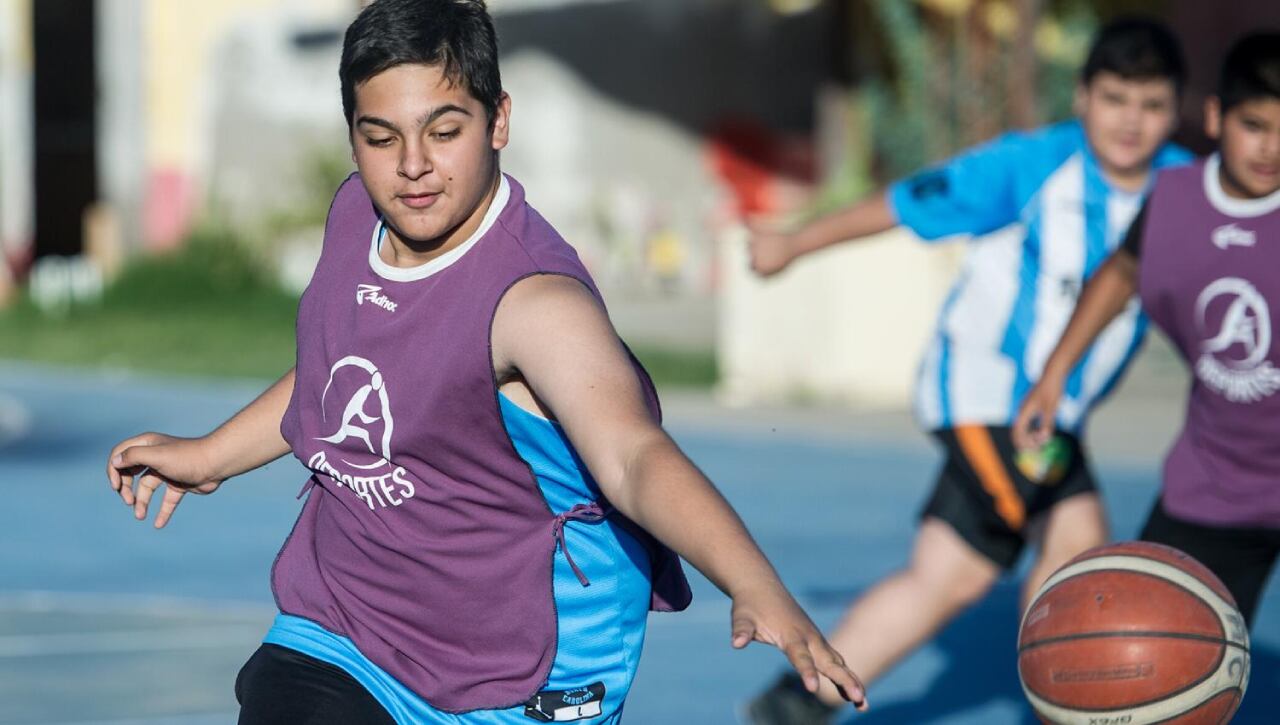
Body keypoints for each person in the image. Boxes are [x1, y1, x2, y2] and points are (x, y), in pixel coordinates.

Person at [104, 1, 866, 722]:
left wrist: (754, 582)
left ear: (498, 121)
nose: (412, 166)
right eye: (381, 137)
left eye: (444, 130)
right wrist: (212, 456)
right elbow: (343, 377)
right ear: (353, 138)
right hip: (349, 627)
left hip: (518, 670)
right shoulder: (354, 218)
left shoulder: (534, 304)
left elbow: (633, 457)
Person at [744, 17, 1190, 724]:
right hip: (983, 392)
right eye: (1115, 98)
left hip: (1049, 416)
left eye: (1152, 103)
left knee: (946, 578)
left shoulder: (1185, 190)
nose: (1132, 121)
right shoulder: (1031, 165)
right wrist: (795, 243)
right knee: (1080, 555)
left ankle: (792, 703)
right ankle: (1073, 706)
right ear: (1081, 97)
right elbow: (902, 202)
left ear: (1179, 109)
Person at [1015, 31, 1280, 629]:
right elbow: (1120, 272)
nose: (1271, 147)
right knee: (1146, 654)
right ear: (1215, 117)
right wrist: (1055, 375)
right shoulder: (1175, 199)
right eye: (1255, 124)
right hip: (1217, 486)